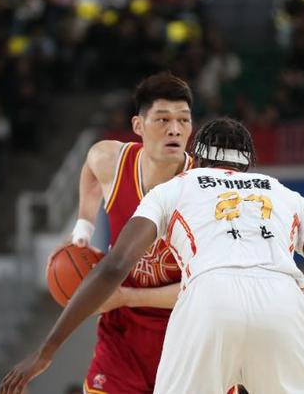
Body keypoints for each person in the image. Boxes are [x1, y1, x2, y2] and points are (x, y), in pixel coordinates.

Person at [0, 117, 304, 394]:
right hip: (283, 304)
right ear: (250, 164)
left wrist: (46, 351)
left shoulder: (176, 186)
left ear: (197, 159)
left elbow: (115, 267)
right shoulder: (284, 194)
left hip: (209, 302)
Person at [50, 72, 197, 393]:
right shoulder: (111, 161)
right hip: (122, 337)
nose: (174, 129)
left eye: (183, 120)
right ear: (138, 125)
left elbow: (205, 288)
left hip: (188, 335)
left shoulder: (205, 189)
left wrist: (126, 296)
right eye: (163, 119)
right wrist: (83, 226)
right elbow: (90, 166)